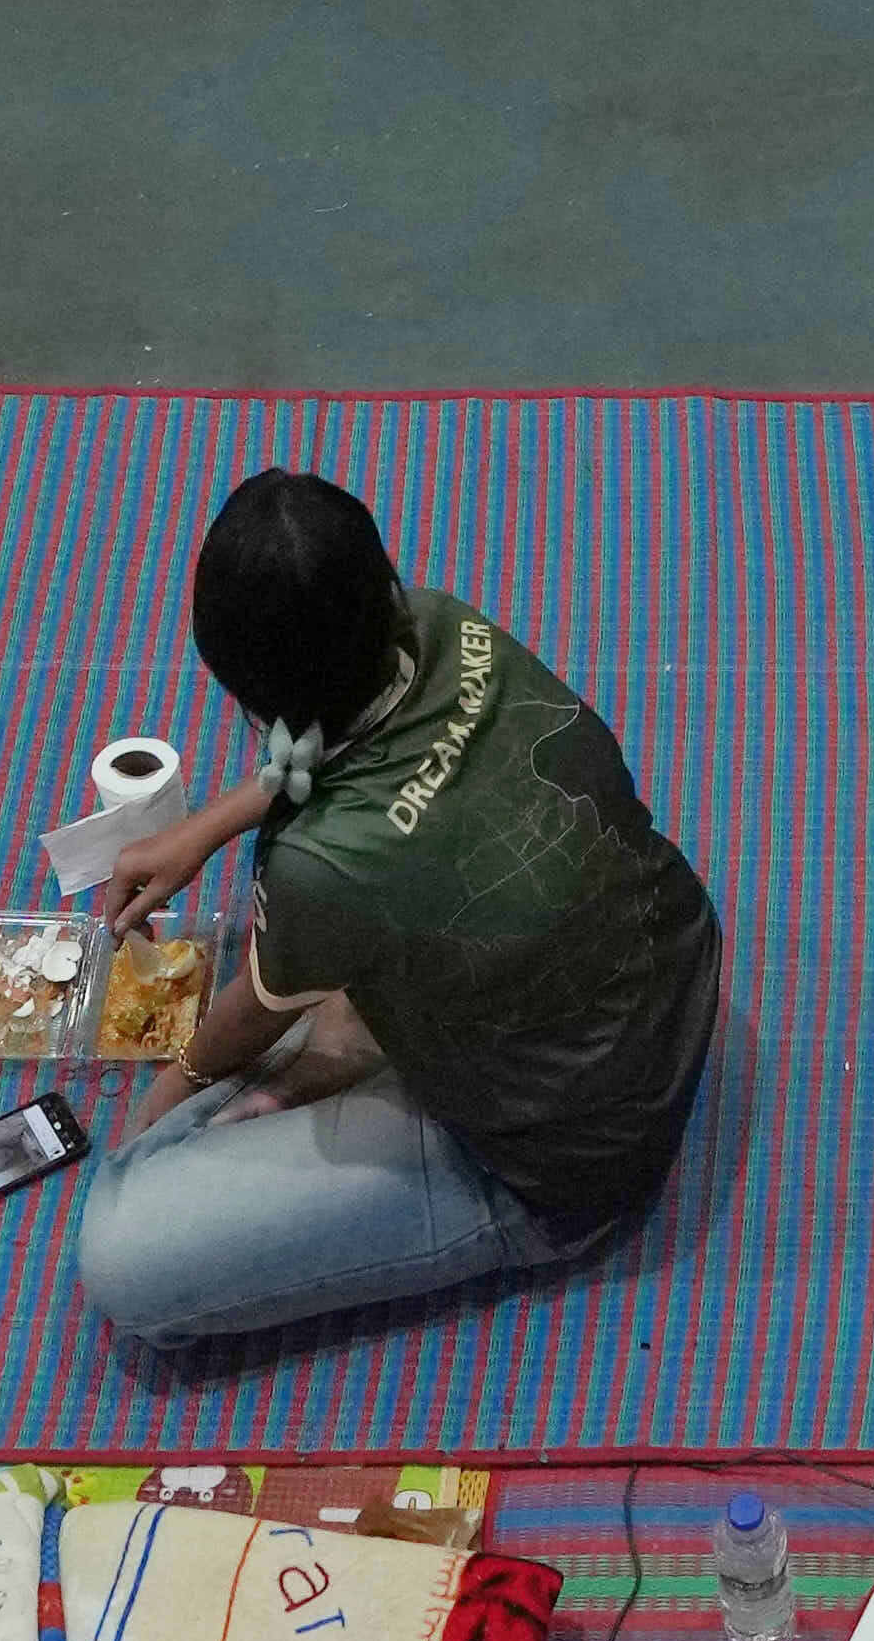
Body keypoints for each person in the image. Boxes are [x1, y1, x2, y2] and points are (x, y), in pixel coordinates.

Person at [55, 465, 722, 1350]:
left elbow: (245, 1015)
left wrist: (165, 1104)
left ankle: (345, 1062)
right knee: (350, 956)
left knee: (124, 1251)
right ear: (387, 588)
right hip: (668, 970)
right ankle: (345, 1034)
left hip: (565, 1162)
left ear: (242, 691)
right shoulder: (449, 627)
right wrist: (208, 828)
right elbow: (368, 746)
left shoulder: (321, 865)